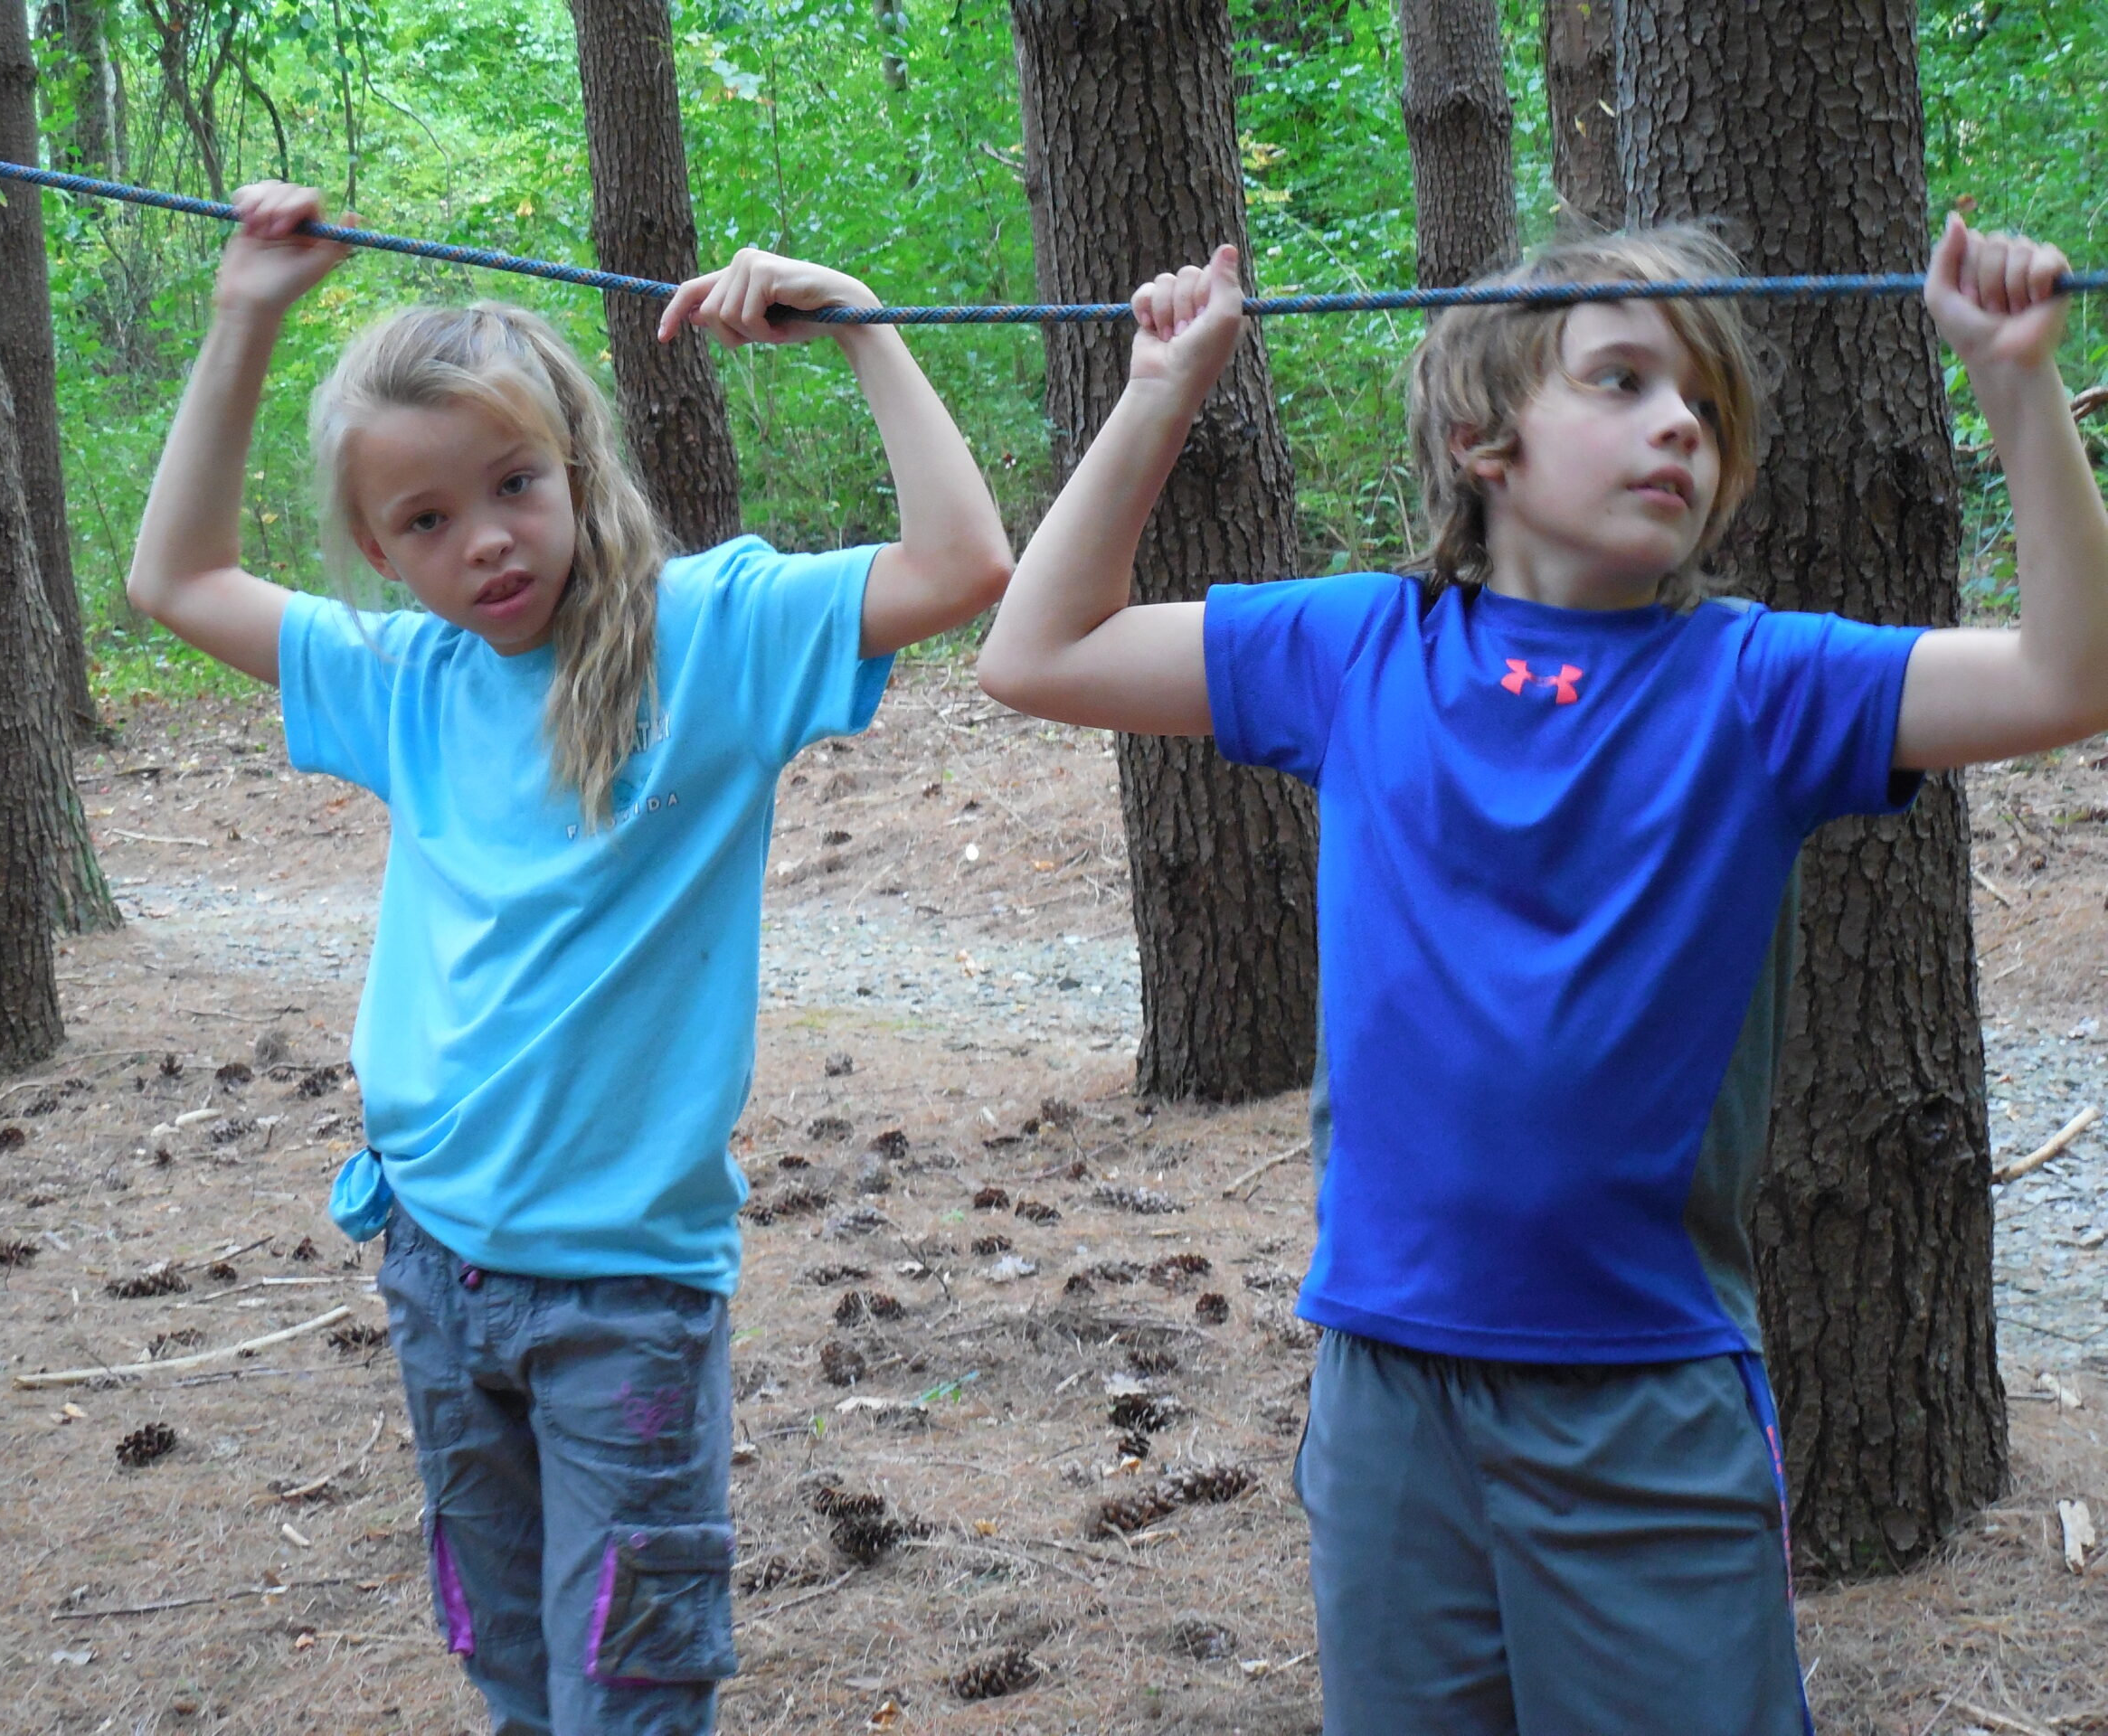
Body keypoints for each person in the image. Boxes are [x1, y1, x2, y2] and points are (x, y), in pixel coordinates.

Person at [976, 214, 2108, 1735]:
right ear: (1482, 440)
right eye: (1624, 380)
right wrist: (1160, 392)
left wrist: (2017, 383)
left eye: (1703, 404)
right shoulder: (1360, 650)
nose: (1679, 425)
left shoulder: (1761, 684)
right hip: (1388, 1389)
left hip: (1644, 1394)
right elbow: (1036, 652)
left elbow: (2068, 679)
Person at [126, 182, 1012, 1736]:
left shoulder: (713, 636)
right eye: (425, 521)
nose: (484, 540)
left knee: (629, 1687)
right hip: (435, 1264)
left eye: (515, 484)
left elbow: (963, 566)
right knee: (515, 1672)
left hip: (623, 1299)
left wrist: (862, 330)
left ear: (578, 468)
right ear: (378, 550)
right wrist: (244, 313)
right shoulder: (405, 681)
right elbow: (175, 582)